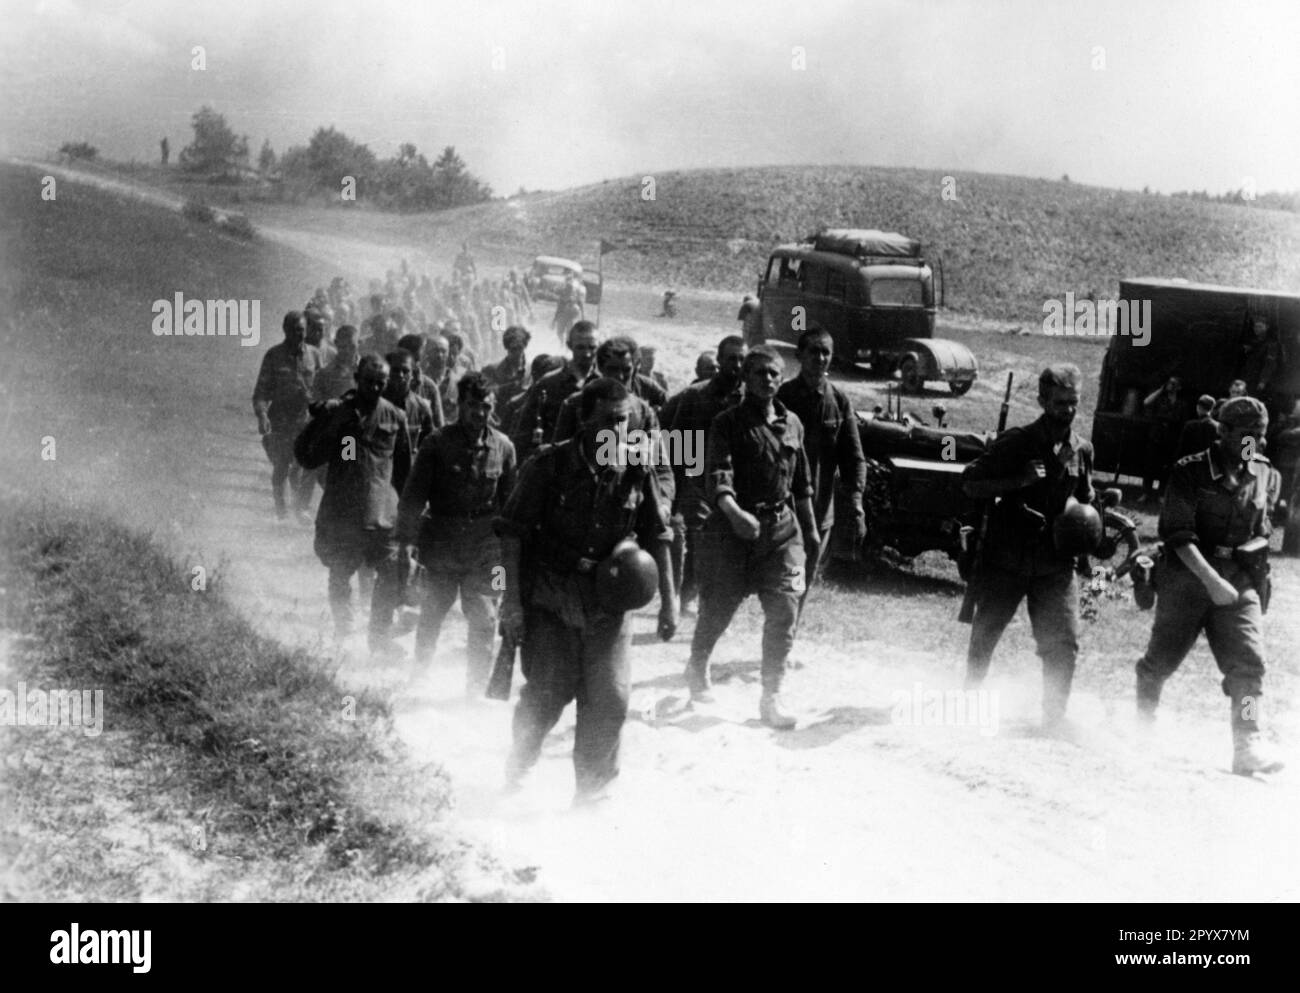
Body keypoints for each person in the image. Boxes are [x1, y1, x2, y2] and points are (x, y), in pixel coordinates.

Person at [496, 379, 677, 804]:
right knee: (548, 693)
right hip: (552, 598)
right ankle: (518, 765)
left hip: (608, 603)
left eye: (624, 421)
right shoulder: (549, 466)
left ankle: (593, 790)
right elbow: (510, 536)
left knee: (610, 697)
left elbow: (658, 534)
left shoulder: (635, 467)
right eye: (609, 421)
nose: (618, 431)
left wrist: (669, 602)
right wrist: (509, 600)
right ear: (584, 419)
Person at [1134, 397, 1284, 775]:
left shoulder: (1266, 473)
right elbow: (1178, 536)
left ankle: (1248, 740)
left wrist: (1257, 583)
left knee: (1250, 665)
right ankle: (1143, 726)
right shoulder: (1190, 471)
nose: (1255, 444)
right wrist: (1211, 581)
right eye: (1247, 435)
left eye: (1261, 436)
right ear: (1223, 432)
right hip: (1189, 576)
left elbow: (1263, 532)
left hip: (1239, 580)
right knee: (1159, 663)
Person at [684, 345, 819, 729]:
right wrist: (734, 513)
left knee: (785, 611)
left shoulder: (793, 423)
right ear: (745, 377)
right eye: (759, 372)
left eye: (774, 373)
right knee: (717, 611)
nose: (768, 379)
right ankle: (697, 665)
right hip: (732, 535)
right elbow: (719, 476)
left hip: (782, 534)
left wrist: (808, 531)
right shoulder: (727, 423)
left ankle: (771, 695)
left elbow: (802, 485)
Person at [961, 363, 1094, 729]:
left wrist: (1087, 542)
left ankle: (1054, 717)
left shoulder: (1082, 449)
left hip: (1055, 564)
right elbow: (970, 483)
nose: (1067, 409)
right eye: (1059, 402)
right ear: (1041, 401)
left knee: (1063, 642)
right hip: (1008, 559)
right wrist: (1018, 480)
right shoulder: (1018, 441)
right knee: (986, 635)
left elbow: (1084, 500)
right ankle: (969, 698)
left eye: (1073, 402)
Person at [397, 373, 517, 695]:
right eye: (473, 406)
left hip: (487, 548)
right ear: (460, 405)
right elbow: (412, 498)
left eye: (486, 407)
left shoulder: (503, 447)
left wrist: (511, 558)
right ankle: (420, 674)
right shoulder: (436, 443)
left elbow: (509, 508)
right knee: (433, 609)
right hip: (443, 542)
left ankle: (475, 688)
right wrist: (406, 544)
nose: (480, 413)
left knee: (486, 616)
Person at [296, 354, 411, 656]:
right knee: (340, 572)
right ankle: (344, 631)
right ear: (357, 378)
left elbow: (403, 470)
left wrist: (407, 511)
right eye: (369, 381)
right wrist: (321, 421)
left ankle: (379, 638)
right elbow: (309, 457)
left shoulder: (395, 418)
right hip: (344, 513)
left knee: (389, 575)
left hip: (381, 516)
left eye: (380, 383)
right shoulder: (340, 413)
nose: (374, 388)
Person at [776, 327, 867, 584]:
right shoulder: (783, 397)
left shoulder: (838, 401)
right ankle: (786, 621)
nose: (820, 358)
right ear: (799, 355)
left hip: (821, 508)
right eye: (813, 351)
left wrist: (856, 502)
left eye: (825, 352)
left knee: (807, 573)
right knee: (790, 573)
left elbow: (853, 457)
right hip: (787, 506)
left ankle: (792, 622)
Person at [664, 336, 746, 610]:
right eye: (731, 358)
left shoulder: (750, 399)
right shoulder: (695, 396)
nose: (736, 364)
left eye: (741, 359)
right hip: (698, 479)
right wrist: (678, 486)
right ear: (720, 361)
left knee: (728, 545)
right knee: (698, 541)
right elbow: (676, 441)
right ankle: (685, 597)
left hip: (736, 483)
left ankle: (711, 600)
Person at [252, 310, 322, 521]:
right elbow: (261, 393)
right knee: (281, 465)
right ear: (284, 330)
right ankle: (281, 511)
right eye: (292, 330)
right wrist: (262, 416)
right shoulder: (274, 356)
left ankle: (299, 509)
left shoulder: (315, 355)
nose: (297, 335)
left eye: (301, 330)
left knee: (302, 465)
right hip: (280, 420)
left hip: (306, 420)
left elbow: (323, 387)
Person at [511, 320, 599, 461]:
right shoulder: (548, 384)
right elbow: (523, 432)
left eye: (592, 347)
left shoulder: (604, 383)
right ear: (569, 346)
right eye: (581, 348)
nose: (587, 354)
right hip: (555, 467)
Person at [1175, 394, 1219, 458]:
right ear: (1212, 408)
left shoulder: (1190, 425)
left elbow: (1182, 448)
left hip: (1192, 463)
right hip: (1210, 464)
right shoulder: (1218, 426)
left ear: (1198, 407)